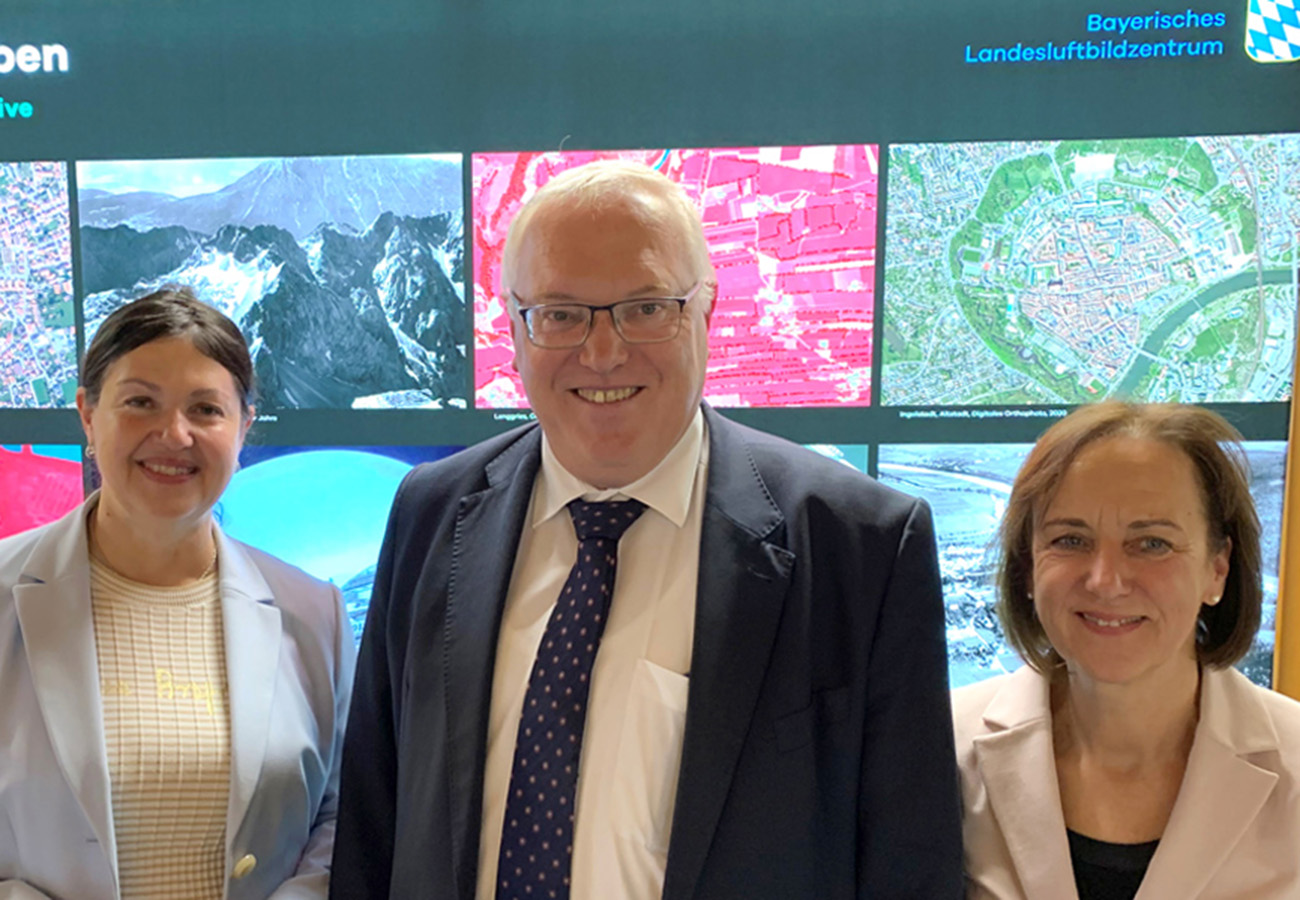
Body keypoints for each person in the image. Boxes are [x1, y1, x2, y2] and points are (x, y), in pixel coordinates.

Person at [330, 160, 962, 899]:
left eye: (647, 307)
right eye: (560, 314)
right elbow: (372, 827)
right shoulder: (432, 511)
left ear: (707, 311)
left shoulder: (862, 545)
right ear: (515, 327)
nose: (602, 353)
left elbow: (910, 868)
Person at [0, 287, 354, 900]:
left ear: (243, 429)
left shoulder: (314, 612)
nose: (174, 434)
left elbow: (342, 809)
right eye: (140, 402)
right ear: (88, 415)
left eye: (206, 410)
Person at [952, 401, 1300, 899]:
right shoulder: (942, 750)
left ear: (1217, 568)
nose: (1105, 581)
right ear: (1027, 567)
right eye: (1070, 540)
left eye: (1152, 543)